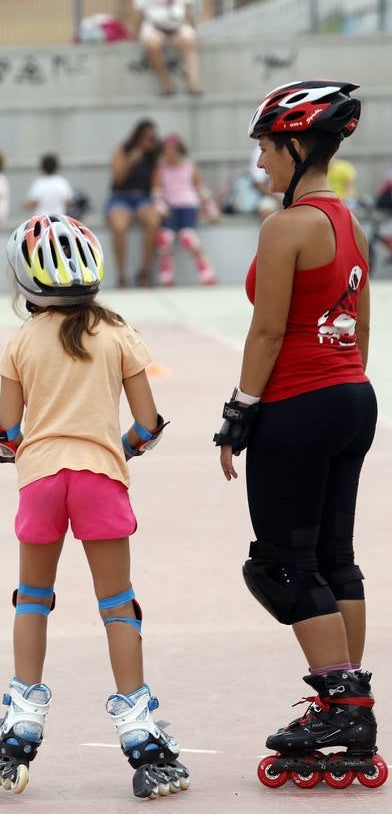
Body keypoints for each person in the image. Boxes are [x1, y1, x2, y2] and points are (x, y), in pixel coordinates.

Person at [213, 81, 387, 790]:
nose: (261, 164)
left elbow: (268, 327)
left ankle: (341, 707)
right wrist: (342, 389)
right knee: (334, 558)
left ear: (296, 145)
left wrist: (241, 409)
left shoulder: (286, 228)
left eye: (265, 149)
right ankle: (349, 706)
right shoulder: (347, 222)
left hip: (300, 400)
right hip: (352, 395)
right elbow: (362, 325)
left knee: (282, 566)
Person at [0, 213, 189, 800]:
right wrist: (116, 452)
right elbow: (148, 424)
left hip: (42, 480)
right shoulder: (119, 332)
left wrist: (27, 454)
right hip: (102, 479)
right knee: (118, 605)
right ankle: (142, 736)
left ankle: (22, 720)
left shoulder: (21, 339)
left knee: (33, 599)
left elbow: (5, 428)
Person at [132, 0, 201, 96]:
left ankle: (193, 84)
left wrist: (194, 28)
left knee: (189, 40)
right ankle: (166, 84)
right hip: (155, 27)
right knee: (152, 44)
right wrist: (134, 33)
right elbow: (139, 12)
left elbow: (188, 9)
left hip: (177, 26)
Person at [106, 120, 163, 288]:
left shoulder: (153, 156)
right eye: (148, 137)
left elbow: (156, 184)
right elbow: (117, 178)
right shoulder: (123, 149)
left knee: (153, 222)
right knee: (119, 227)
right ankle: (121, 274)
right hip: (120, 197)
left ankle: (144, 272)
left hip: (143, 198)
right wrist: (132, 159)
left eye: (153, 138)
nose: (150, 141)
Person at [157, 134, 218, 286]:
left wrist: (210, 207)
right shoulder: (160, 167)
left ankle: (206, 270)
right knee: (165, 237)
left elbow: (200, 187)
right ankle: (166, 273)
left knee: (187, 237)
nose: (170, 154)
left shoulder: (189, 165)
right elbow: (157, 190)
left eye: (173, 150)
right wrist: (160, 205)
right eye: (167, 151)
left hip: (188, 204)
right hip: (170, 207)